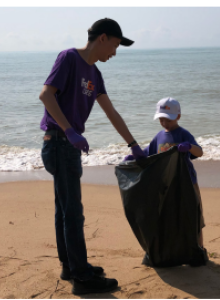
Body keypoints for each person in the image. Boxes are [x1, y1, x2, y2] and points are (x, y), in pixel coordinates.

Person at [39, 18, 146, 295]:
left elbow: (111, 113)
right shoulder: (70, 58)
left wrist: (133, 144)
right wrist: (70, 131)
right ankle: (82, 277)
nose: (115, 52)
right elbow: (46, 96)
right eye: (115, 45)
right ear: (103, 38)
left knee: (65, 210)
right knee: (73, 212)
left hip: (67, 147)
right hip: (60, 143)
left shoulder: (95, 74)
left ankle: (70, 266)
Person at [125, 97, 206, 264]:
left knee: (193, 215)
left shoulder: (183, 134)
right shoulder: (159, 136)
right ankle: (171, 250)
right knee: (169, 217)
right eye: (161, 119)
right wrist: (133, 156)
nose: (164, 122)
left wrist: (189, 147)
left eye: (167, 119)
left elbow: (200, 152)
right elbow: (149, 154)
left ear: (178, 116)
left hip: (187, 183)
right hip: (167, 185)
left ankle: (198, 250)